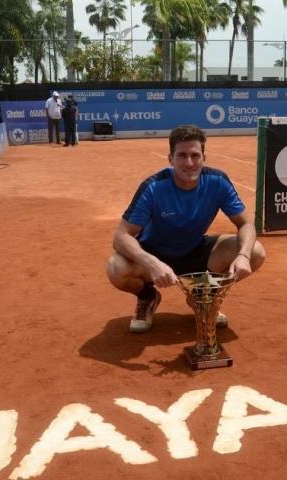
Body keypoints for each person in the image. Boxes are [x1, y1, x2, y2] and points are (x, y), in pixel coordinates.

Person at [106, 125, 266, 333]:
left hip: (196, 251)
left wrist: (243, 255)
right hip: (155, 254)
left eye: (195, 156)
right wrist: (152, 263)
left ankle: (202, 296)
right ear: (170, 159)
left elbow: (245, 223)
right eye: (182, 156)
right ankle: (148, 297)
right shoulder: (153, 187)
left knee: (256, 252)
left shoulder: (218, 181)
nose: (189, 163)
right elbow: (121, 236)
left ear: (204, 158)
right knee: (116, 267)